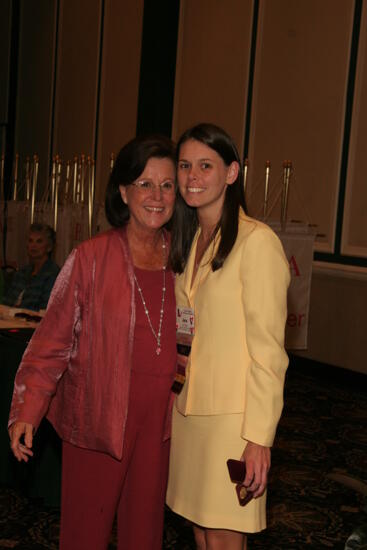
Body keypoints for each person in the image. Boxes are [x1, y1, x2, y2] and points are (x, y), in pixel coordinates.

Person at [8, 135, 178, 550]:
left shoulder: (185, 259)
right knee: (86, 532)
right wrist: (28, 408)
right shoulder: (91, 257)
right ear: (123, 191)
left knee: (145, 535)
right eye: (144, 184)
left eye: (167, 185)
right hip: (98, 416)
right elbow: (51, 343)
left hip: (162, 423)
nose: (156, 196)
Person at [166, 123, 290, 550]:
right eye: (185, 166)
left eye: (205, 165)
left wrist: (259, 439)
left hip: (232, 422)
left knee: (222, 533)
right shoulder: (190, 241)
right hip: (189, 413)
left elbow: (269, 354)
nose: (192, 176)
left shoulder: (257, 242)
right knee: (200, 530)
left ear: (232, 173)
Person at [2, 223, 59, 311]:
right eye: (30, 241)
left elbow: (45, 310)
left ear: (49, 247)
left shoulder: (53, 274)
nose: (33, 245)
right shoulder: (22, 272)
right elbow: (6, 302)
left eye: (39, 241)